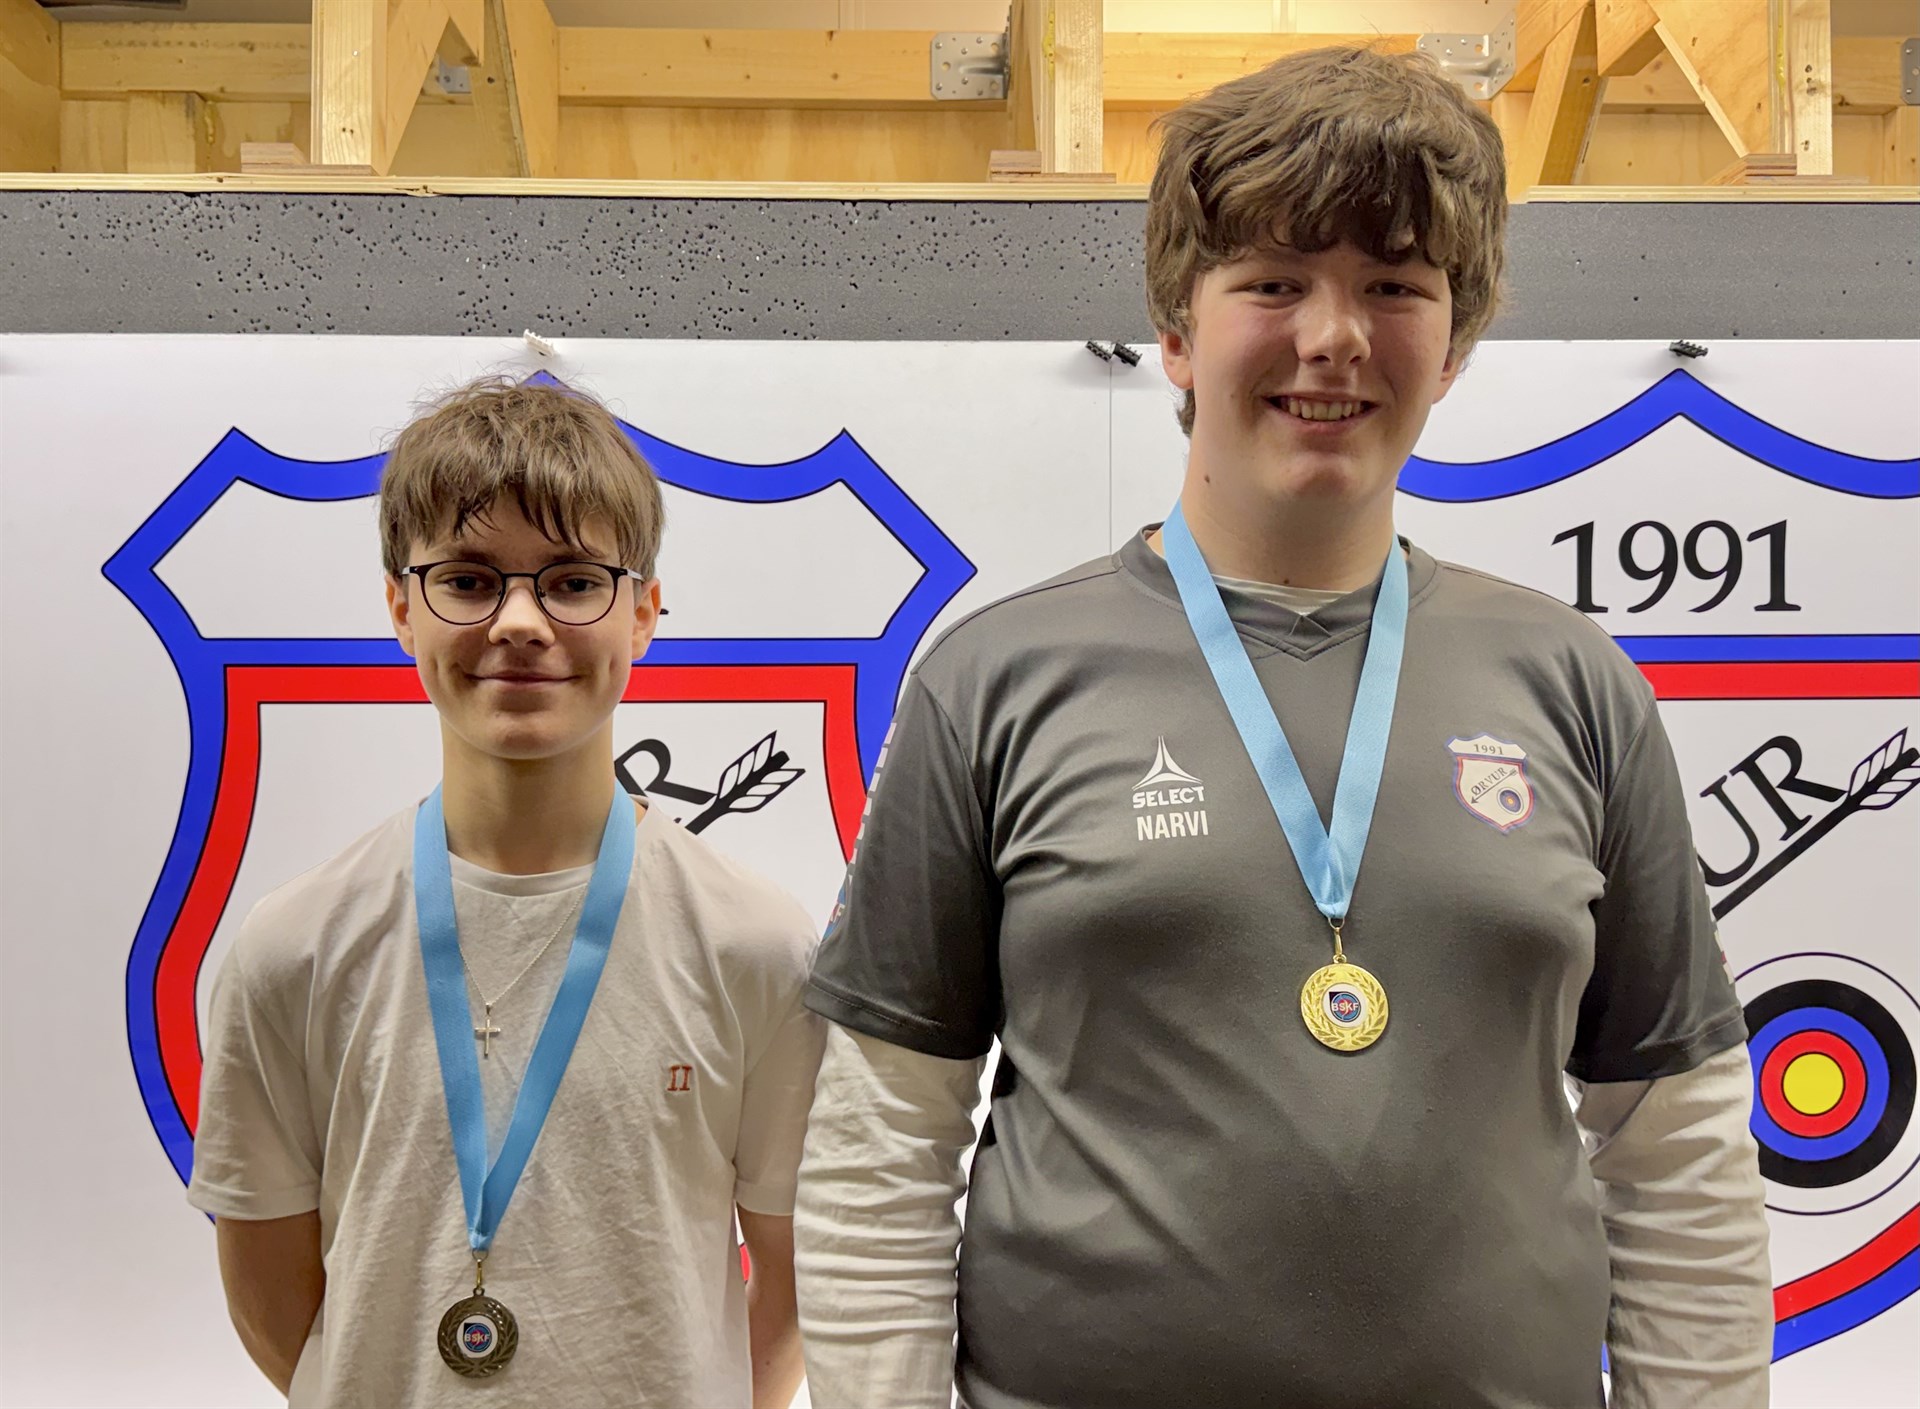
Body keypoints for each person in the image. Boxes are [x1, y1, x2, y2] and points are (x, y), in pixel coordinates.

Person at [794, 46, 1771, 1409]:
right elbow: (883, 1147)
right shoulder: (995, 679)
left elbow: (1678, 1152)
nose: (1334, 337)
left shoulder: (1576, 682)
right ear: (1176, 333)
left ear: (1455, 342)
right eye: (1274, 282)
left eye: (1395, 285)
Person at [188, 377, 824, 1407]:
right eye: (470, 580)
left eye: (573, 580)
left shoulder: (757, 944)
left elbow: (794, 1292)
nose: (521, 621)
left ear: (644, 612)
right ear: (402, 608)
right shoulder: (293, 946)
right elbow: (272, 1299)